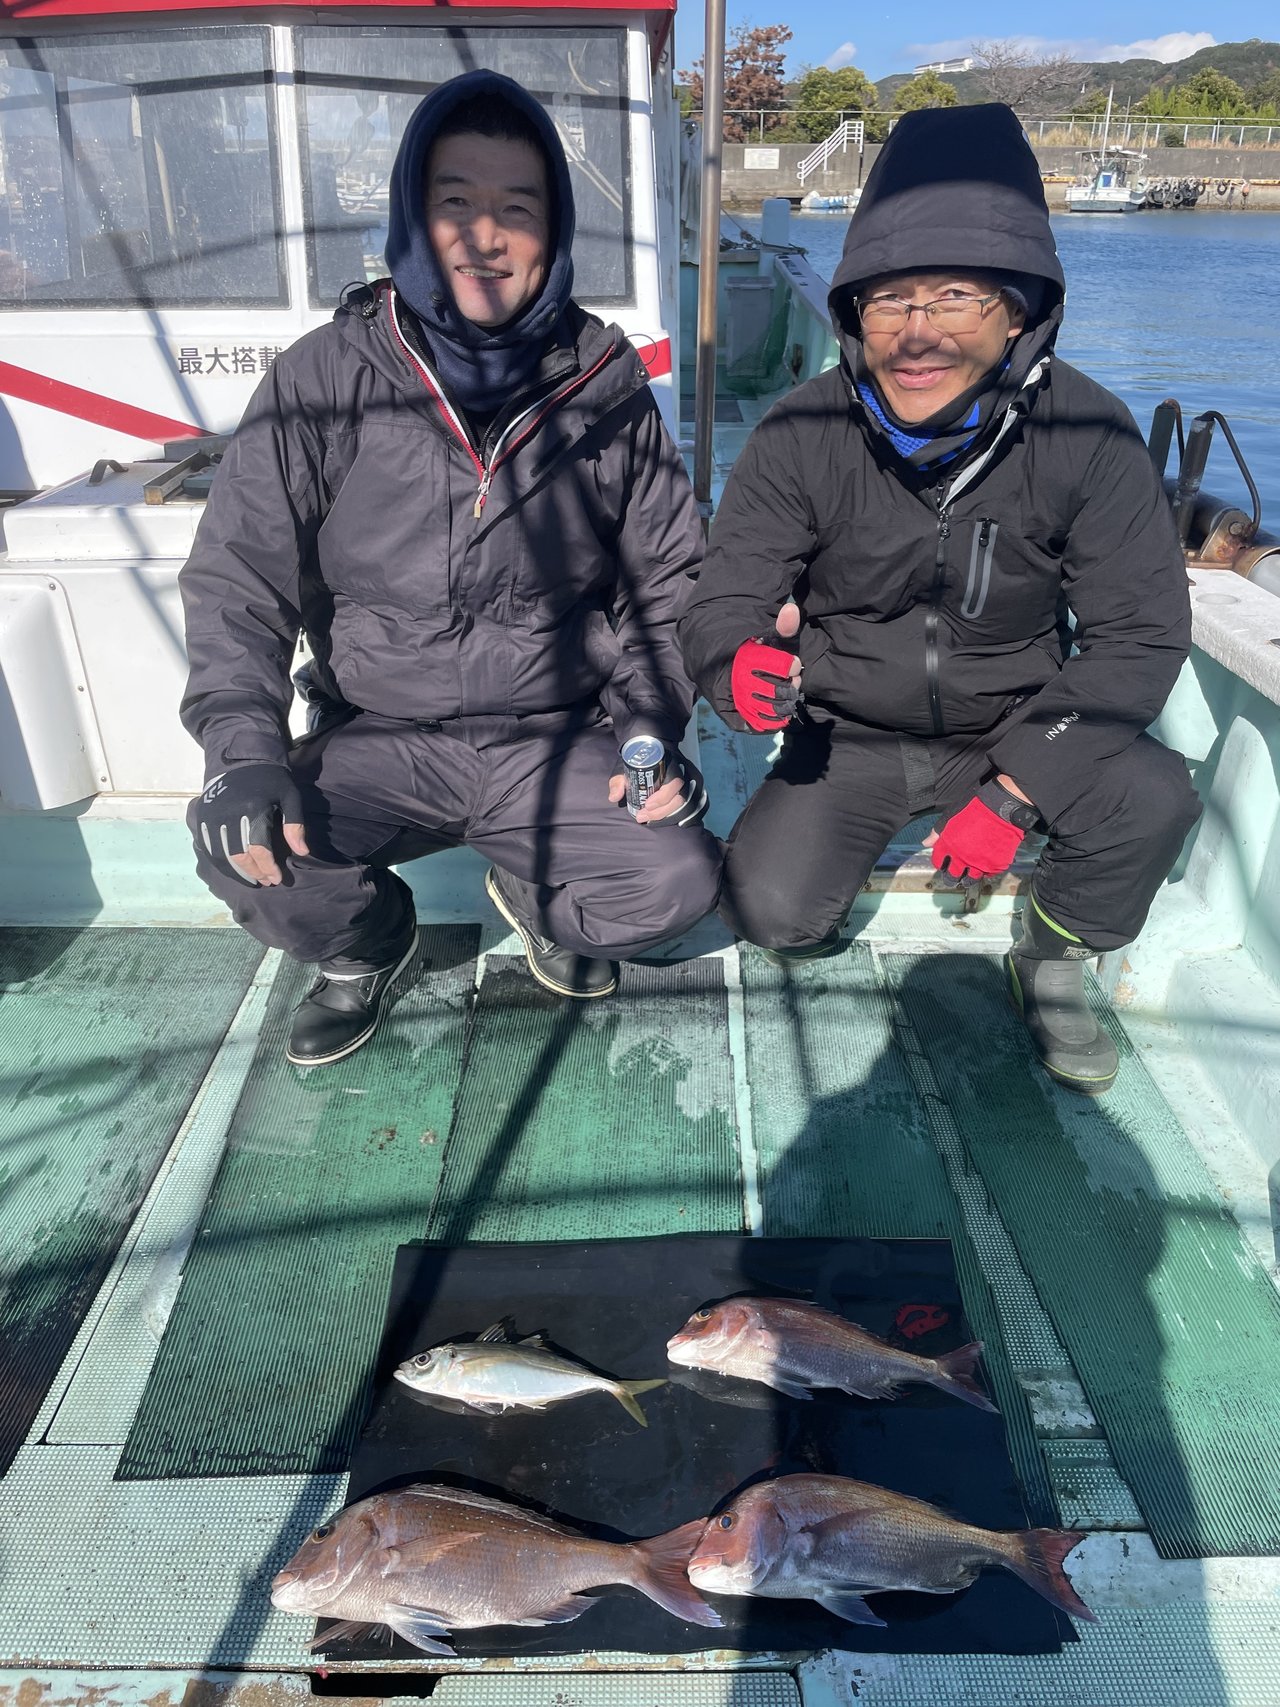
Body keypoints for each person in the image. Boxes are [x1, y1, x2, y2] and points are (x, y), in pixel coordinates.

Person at [180, 70, 719, 1068]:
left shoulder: (606, 383)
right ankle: (370, 945)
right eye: (454, 203)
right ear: (410, 219)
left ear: (554, 232)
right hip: (379, 729)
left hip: (557, 732)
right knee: (251, 856)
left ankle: (536, 893)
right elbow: (236, 578)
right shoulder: (322, 374)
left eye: (517, 209)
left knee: (673, 885)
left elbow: (666, 578)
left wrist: (649, 724)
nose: (485, 236)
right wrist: (243, 750)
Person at [679, 103, 1201, 1095]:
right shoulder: (799, 431)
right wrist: (729, 663)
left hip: (1016, 722)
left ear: (1019, 310)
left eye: (956, 294)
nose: (917, 333)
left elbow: (1138, 636)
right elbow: (724, 596)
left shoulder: (1089, 432)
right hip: (847, 734)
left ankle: (1050, 952)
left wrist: (1016, 790)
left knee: (1152, 797)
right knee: (771, 911)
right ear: (852, 314)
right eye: (888, 299)